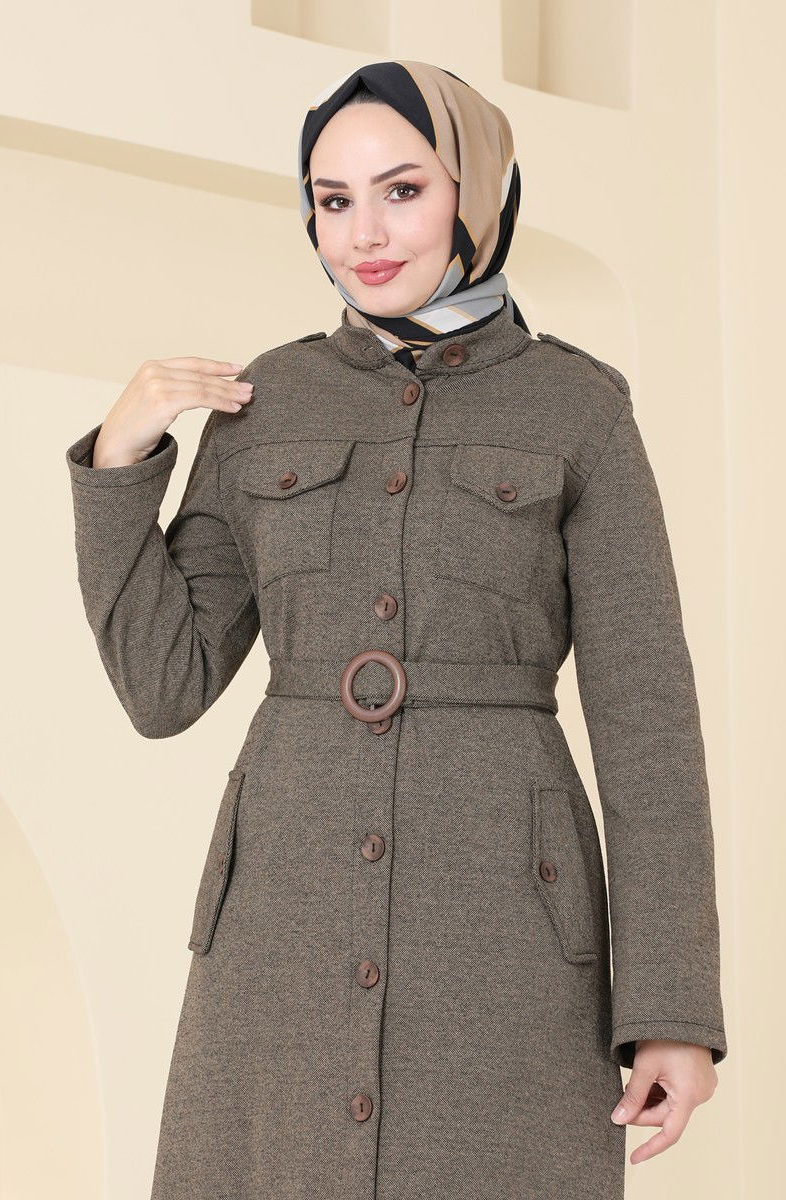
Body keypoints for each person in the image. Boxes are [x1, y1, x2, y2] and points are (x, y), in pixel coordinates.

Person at [64, 59, 727, 1199]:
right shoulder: (265, 401)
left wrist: (671, 1009)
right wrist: (121, 461)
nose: (363, 234)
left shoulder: (580, 408)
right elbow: (163, 685)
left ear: (476, 192)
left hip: (506, 925)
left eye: (403, 191)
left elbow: (647, 721)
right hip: (278, 926)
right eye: (333, 200)